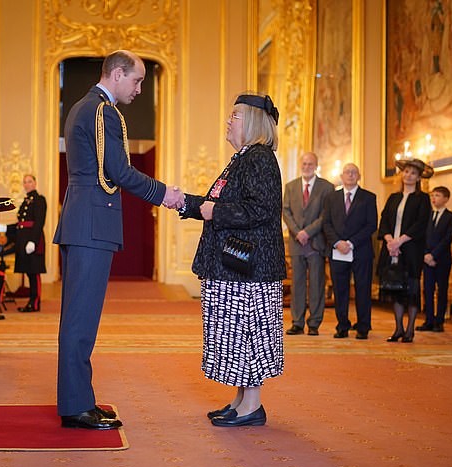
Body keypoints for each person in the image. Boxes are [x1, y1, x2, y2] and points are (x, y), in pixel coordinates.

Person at [53, 50, 184, 430]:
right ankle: (76, 408)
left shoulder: (87, 107)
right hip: (91, 223)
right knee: (80, 321)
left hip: (86, 220)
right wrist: (166, 194)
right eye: (137, 80)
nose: (140, 89)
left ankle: (79, 400)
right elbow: (120, 172)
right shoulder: (102, 111)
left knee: (80, 319)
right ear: (116, 73)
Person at [180, 93, 285, 427]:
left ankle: (252, 405)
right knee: (236, 333)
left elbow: (261, 209)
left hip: (248, 268)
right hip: (236, 265)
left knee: (248, 332)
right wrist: (183, 202)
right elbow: (216, 204)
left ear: (253, 122)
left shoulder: (259, 158)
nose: (228, 121)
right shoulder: (243, 158)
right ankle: (241, 399)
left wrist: (216, 211)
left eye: (234, 117)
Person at [377, 158, 432, 343]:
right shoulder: (393, 197)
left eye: (413, 173)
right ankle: (398, 328)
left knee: (411, 289)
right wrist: (389, 240)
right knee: (395, 289)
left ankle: (410, 330)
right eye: (406, 172)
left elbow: (421, 223)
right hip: (391, 249)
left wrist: (400, 241)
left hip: (411, 250)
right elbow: (384, 221)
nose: (408, 176)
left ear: (418, 178)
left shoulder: (423, 198)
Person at [322, 163, 377, 339]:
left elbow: (371, 225)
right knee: (340, 290)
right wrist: (338, 242)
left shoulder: (368, 197)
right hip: (337, 251)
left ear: (359, 176)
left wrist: (351, 243)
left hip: (361, 251)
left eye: (354, 172)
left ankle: (363, 327)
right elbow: (326, 223)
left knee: (362, 289)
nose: (350, 175)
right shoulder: (331, 198)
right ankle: (342, 326)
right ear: (341, 176)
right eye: (347, 172)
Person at [282, 152, 334, 335]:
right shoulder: (290, 186)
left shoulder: (327, 187)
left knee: (316, 283)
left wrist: (307, 232)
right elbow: (286, 211)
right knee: (297, 283)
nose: (307, 167)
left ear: (316, 165)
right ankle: (297, 322)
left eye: (310, 164)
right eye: (304, 164)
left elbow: (325, 215)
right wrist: (298, 232)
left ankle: (314, 323)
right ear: (300, 165)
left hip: (316, 242)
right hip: (297, 243)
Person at [417, 186, 452, 333]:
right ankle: (429, 320)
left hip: (441, 259)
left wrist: (433, 255)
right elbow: (423, 237)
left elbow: (447, 239)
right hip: (427, 259)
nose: (434, 198)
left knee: (442, 290)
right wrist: (426, 255)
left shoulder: (450, 217)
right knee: (427, 290)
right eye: (433, 195)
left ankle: (439, 322)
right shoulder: (428, 216)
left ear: (446, 199)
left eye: (438, 195)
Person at [15, 174, 46, 313]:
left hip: (33, 240)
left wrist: (33, 241)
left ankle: (34, 302)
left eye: (29, 181)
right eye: (25, 182)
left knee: (34, 272)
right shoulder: (25, 201)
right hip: (23, 240)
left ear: (35, 183)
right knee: (29, 272)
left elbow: (39, 222)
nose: (27, 184)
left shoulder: (39, 200)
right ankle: (31, 302)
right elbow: (20, 224)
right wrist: (1, 228)